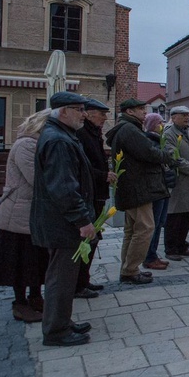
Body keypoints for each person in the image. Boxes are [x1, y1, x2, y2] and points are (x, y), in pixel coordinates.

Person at [30, 92, 95, 346]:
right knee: (61, 277)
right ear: (63, 112)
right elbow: (64, 188)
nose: (83, 114)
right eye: (78, 109)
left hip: (60, 221)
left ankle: (62, 322)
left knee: (64, 277)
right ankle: (56, 331)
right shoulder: (58, 140)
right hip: (62, 223)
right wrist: (82, 220)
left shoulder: (62, 135)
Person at [0, 109, 51, 323]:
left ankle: (35, 297)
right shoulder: (26, 145)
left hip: (31, 212)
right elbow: (36, 179)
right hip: (18, 213)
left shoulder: (37, 144)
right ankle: (20, 303)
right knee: (19, 261)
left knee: (35, 258)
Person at [105, 98, 174, 284]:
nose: (144, 112)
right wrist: (168, 157)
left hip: (132, 186)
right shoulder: (129, 130)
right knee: (145, 228)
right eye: (140, 109)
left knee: (132, 230)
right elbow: (149, 153)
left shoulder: (128, 128)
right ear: (129, 112)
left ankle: (128, 267)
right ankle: (130, 269)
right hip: (137, 187)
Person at [74, 99, 116, 298]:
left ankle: (84, 280)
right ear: (90, 114)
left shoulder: (93, 134)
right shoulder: (82, 134)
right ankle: (78, 284)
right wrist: (103, 175)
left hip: (98, 191)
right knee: (87, 240)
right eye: (102, 114)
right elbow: (82, 166)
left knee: (93, 239)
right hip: (91, 192)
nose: (105, 118)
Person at [162, 106, 189, 260]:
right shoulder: (169, 134)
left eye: (188, 115)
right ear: (173, 118)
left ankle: (181, 245)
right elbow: (172, 157)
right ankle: (171, 249)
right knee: (175, 217)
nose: (187, 118)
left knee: (188, 216)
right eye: (183, 115)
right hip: (179, 181)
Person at [142, 113, 174, 271]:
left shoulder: (159, 140)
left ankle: (153, 254)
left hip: (163, 186)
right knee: (153, 224)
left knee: (160, 222)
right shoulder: (149, 141)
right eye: (160, 122)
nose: (162, 124)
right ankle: (149, 256)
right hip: (156, 187)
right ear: (153, 124)